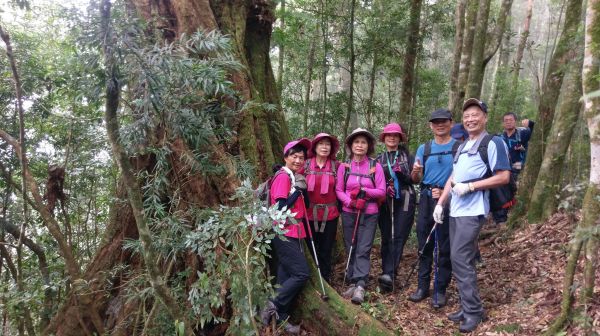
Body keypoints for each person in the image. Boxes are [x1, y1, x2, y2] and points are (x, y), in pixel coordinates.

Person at [434, 98, 510, 333]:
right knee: (458, 259)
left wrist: (471, 187)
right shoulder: (463, 145)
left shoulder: (493, 142)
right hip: (456, 210)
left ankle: (474, 311)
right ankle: (468, 307)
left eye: (475, 114)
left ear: (485, 117)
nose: (470, 119)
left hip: (473, 210)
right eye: (466, 116)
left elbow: (503, 176)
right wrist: (440, 203)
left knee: (460, 258)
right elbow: (452, 178)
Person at [261, 138, 312, 334]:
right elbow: (279, 208)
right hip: (283, 232)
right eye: (294, 156)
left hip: (293, 232)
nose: (298, 160)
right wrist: (296, 192)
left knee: (285, 277)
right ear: (285, 157)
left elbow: (304, 205)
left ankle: (280, 318)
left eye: (301, 157)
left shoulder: (294, 176)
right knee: (301, 273)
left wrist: (301, 191)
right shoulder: (283, 177)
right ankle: (271, 303)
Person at [409, 108, 458, 308]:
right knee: (424, 243)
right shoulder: (424, 148)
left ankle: (439, 289)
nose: (440, 124)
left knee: (444, 245)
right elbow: (415, 179)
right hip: (427, 200)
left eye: (444, 121)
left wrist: (445, 194)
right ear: (430, 125)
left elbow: (461, 176)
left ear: (451, 123)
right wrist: (414, 172)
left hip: (448, 201)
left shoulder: (459, 147)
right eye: (435, 121)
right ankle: (422, 286)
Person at [335, 128, 386, 304]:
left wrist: (364, 191)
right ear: (350, 145)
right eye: (356, 142)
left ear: (368, 146)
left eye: (363, 142)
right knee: (351, 246)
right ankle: (352, 280)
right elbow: (339, 190)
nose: (359, 145)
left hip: (369, 214)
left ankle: (361, 283)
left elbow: (381, 191)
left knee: (364, 248)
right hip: (349, 213)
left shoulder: (375, 166)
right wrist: (350, 202)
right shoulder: (344, 167)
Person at [375, 123, 418, 292]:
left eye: (395, 135)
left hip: (405, 199)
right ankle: (386, 271)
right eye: (388, 135)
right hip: (385, 200)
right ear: (384, 138)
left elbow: (416, 179)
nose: (392, 137)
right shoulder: (378, 159)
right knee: (386, 237)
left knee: (399, 235)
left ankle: (390, 274)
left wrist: (403, 175)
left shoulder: (408, 156)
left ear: (400, 138)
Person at [304, 133, 340, 283]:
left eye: (327, 144)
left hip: (330, 214)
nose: (324, 147)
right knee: (310, 248)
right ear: (315, 146)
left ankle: (325, 278)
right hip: (308, 214)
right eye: (321, 144)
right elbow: (291, 176)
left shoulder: (336, 166)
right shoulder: (305, 164)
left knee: (326, 248)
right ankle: (312, 278)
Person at [492, 113, 535, 225]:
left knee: (515, 193)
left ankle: (515, 217)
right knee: (501, 193)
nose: (508, 122)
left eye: (510, 120)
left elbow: (538, 130)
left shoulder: (522, 134)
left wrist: (530, 123)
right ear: (503, 123)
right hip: (503, 170)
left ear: (515, 121)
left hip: (518, 169)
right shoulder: (500, 138)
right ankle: (500, 218)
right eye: (506, 120)